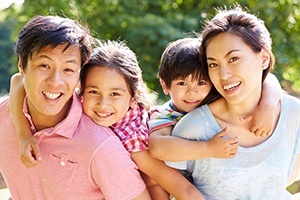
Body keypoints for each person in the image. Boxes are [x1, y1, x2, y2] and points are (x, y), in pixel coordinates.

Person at [10, 40, 204, 199]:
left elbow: (181, 188)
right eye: (94, 92)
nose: (103, 104)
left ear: (133, 98)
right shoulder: (71, 98)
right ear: (81, 88)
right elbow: (18, 80)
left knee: (151, 180)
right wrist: (24, 134)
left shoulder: (134, 141)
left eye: (114, 94)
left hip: (156, 191)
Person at [0, 15, 150, 200]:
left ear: (79, 75)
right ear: (22, 65)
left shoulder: (102, 148)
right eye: (44, 65)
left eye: (68, 69)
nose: (55, 82)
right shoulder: (4, 114)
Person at [166, 5, 300, 199]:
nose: (223, 75)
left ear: (263, 58)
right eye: (213, 64)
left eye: (234, 58)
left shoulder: (293, 114)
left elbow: (285, 180)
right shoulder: (195, 128)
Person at [148, 37, 282, 162]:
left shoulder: (217, 98)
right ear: (165, 85)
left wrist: (268, 107)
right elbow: (157, 147)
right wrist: (208, 148)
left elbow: (268, 79)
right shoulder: (166, 115)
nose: (192, 92)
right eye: (182, 84)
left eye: (201, 83)